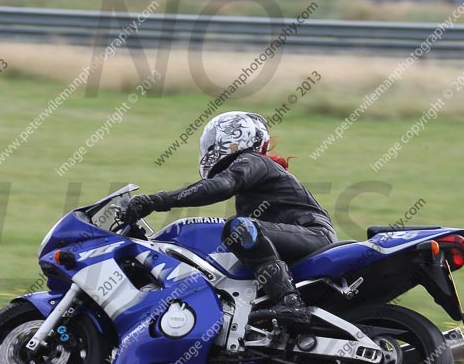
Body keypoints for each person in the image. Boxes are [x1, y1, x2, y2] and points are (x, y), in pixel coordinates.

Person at [122, 111, 337, 322]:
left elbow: (219, 186)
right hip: (302, 237)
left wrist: (156, 201)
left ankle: (290, 302)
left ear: (233, 137)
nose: (209, 148)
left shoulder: (252, 160)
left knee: (239, 229)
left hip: (313, 235)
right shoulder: (253, 179)